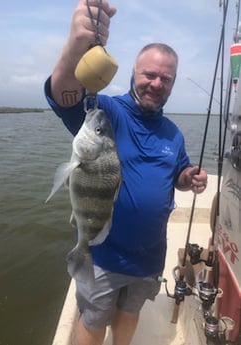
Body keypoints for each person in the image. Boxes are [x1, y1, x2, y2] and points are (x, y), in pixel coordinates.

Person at [44, 1, 208, 344]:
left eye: (166, 77)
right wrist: (77, 43)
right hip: (103, 253)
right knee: (93, 319)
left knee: (130, 313)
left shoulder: (173, 133)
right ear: (134, 72)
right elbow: (64, 94)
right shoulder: (106, 113)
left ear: (173, 82)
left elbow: (176, 174)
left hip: (149, 255)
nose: (156, 83)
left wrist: (188, 177)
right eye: (149, 74)